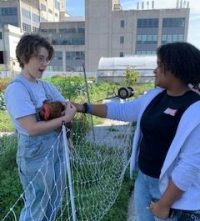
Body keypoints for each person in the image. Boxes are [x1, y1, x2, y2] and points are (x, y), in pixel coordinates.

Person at [74, 42, 200, 221]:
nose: (155, 71)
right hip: (144, 179)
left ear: (174, 69)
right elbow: (122, 111)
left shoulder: (195, 109)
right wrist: (82, 107)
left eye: (159, 65)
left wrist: (164, 204)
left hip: (171, 192)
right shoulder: (155, 96)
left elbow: (190, 165)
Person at [4, 34, 76, 221]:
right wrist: (64, 118)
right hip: (34, 153)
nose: (44, 64)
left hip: (55, 145)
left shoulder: (45, 86)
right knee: (37, 203)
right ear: (24, 56)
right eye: (39, 58)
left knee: (54, 198)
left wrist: (67, 136)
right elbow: (31, 128)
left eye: (46, 59)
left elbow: (66, 105)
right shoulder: (17, 89)